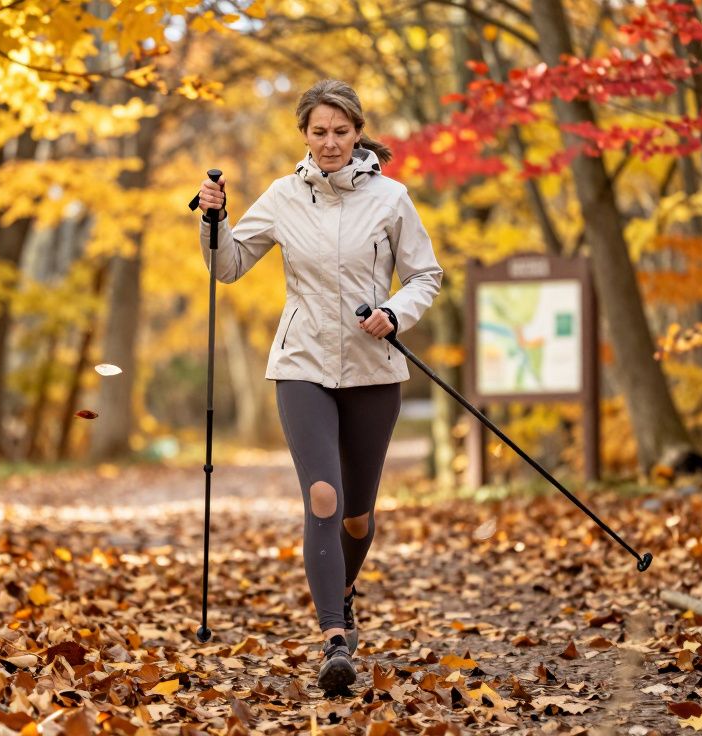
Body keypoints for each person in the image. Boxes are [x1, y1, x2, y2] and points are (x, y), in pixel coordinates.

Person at [196, 79, 444, 694]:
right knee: (324, 500)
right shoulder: (283, 196)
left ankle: (345, 587)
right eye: (318, 132)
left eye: (340, 131)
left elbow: (427, 276)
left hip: (373, 371)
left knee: (357, 517)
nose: (329, 142)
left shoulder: (391, 199)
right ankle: (334, 637)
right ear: (304, 134)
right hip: (301, 365)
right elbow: (226, 267)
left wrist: (395, 312)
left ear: (357, 132)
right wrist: (215, 220)